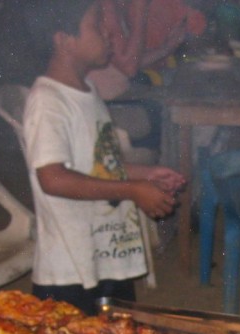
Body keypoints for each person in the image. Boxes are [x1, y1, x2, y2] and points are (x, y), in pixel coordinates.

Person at [23, 0, 186, 315]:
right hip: (72, 269)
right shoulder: (48, 102)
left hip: (108, 255)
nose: (108, 34)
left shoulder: (88, 91)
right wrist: (132, 190)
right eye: (97, 26)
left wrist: (144, 175)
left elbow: (97, 164)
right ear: (63, 39)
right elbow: (52, 179)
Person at [87, 0, 207, 100]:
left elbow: (131, 60)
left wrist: (166, 48)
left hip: (124, 91)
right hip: (108, 100)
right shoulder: (107, 6)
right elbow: (128, 67)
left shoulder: (121, 5)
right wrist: (141, 9)